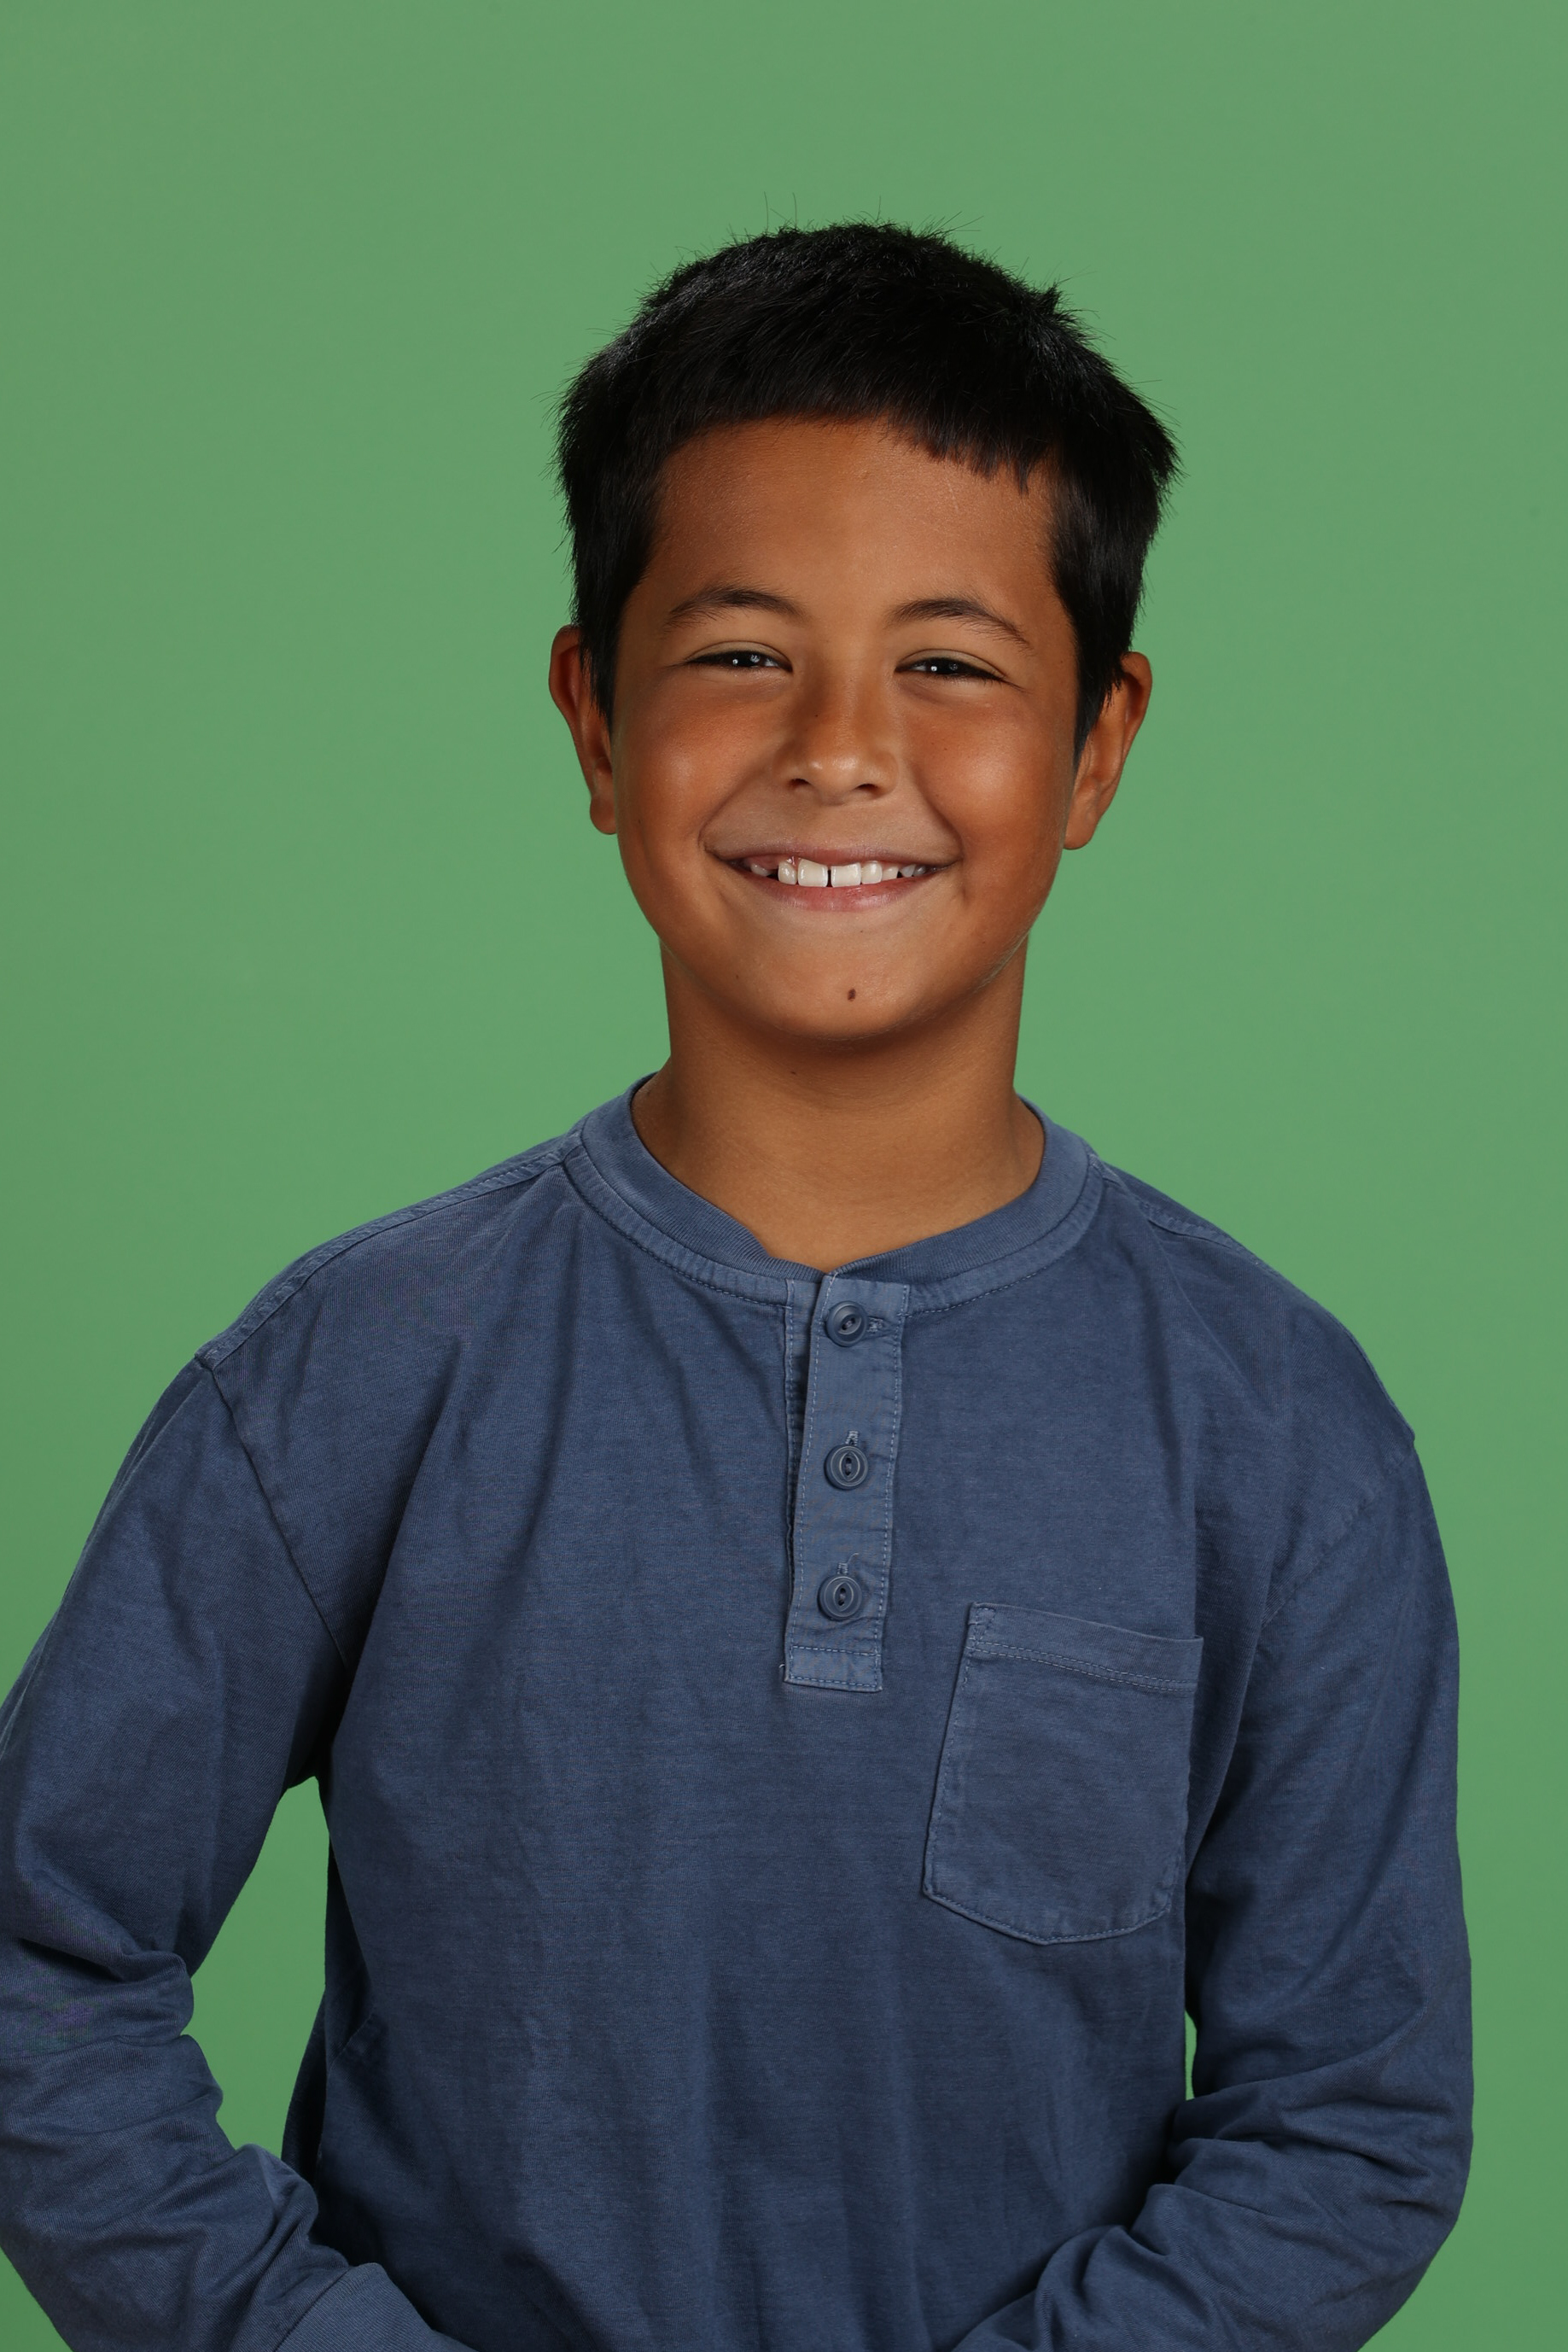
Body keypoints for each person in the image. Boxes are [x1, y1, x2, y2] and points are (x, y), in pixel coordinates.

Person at [0, 224, 1470, 2352]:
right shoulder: (357, 1369)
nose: (841, 746)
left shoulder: (1278, 1429)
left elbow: (1347, 2119)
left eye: (949, 663)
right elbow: (40, 1958)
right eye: (744, 651)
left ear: (1096, 745)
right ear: (595, 721)